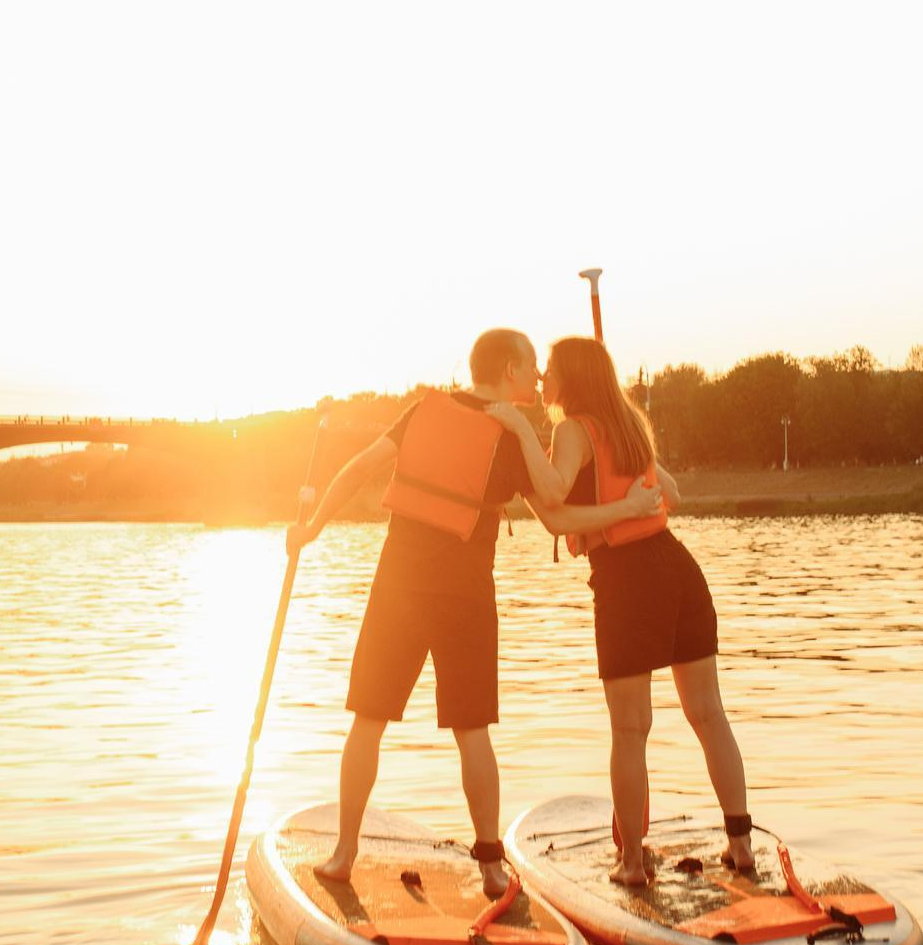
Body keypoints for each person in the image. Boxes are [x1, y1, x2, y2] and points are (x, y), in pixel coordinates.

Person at [286, 327, 660, 897]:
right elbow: (556, 513)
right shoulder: (512, 439)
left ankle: (344, 853)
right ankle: (489, 867)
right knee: (472, 730)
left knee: (368, 719)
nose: (538, 375)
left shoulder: (423, 412)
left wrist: (310, 529)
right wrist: (624, 508)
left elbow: (360, 466)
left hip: (399, 588)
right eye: (531, 364)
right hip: (464, 596)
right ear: (509, 368)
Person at [486, 335, 754, 890]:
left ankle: (632, 863)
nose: (542, 381)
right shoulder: (631, 426)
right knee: (708, 715)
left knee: (630, 730)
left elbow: (556, 492)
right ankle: (740, 845)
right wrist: (631, 498)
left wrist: (517, 429)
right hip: (679, 570)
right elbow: (671, 493)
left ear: (574, 379)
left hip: (628, 581)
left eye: (551, 371)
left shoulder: (571, 429)